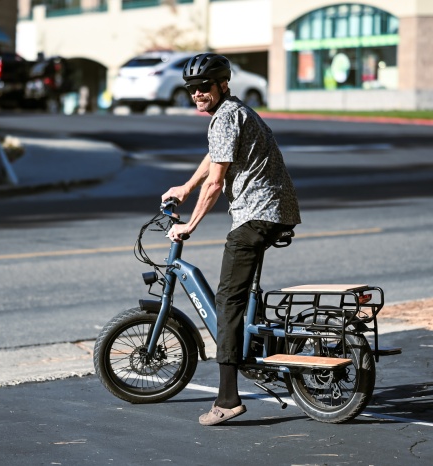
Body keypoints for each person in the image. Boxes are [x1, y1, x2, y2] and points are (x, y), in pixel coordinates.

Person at [161, 53, 302, 426]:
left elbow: (217, 181)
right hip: (269, 210)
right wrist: (186, 187)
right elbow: (215, 157)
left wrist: (190, 224)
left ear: (224, 84)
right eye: (191, 89)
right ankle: (252, 348)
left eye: (204, 87)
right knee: (236, 297)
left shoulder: (225, 117)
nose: (198, 94)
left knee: (227, 301)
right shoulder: (233, 113)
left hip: (258, 213)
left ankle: (227, 399)